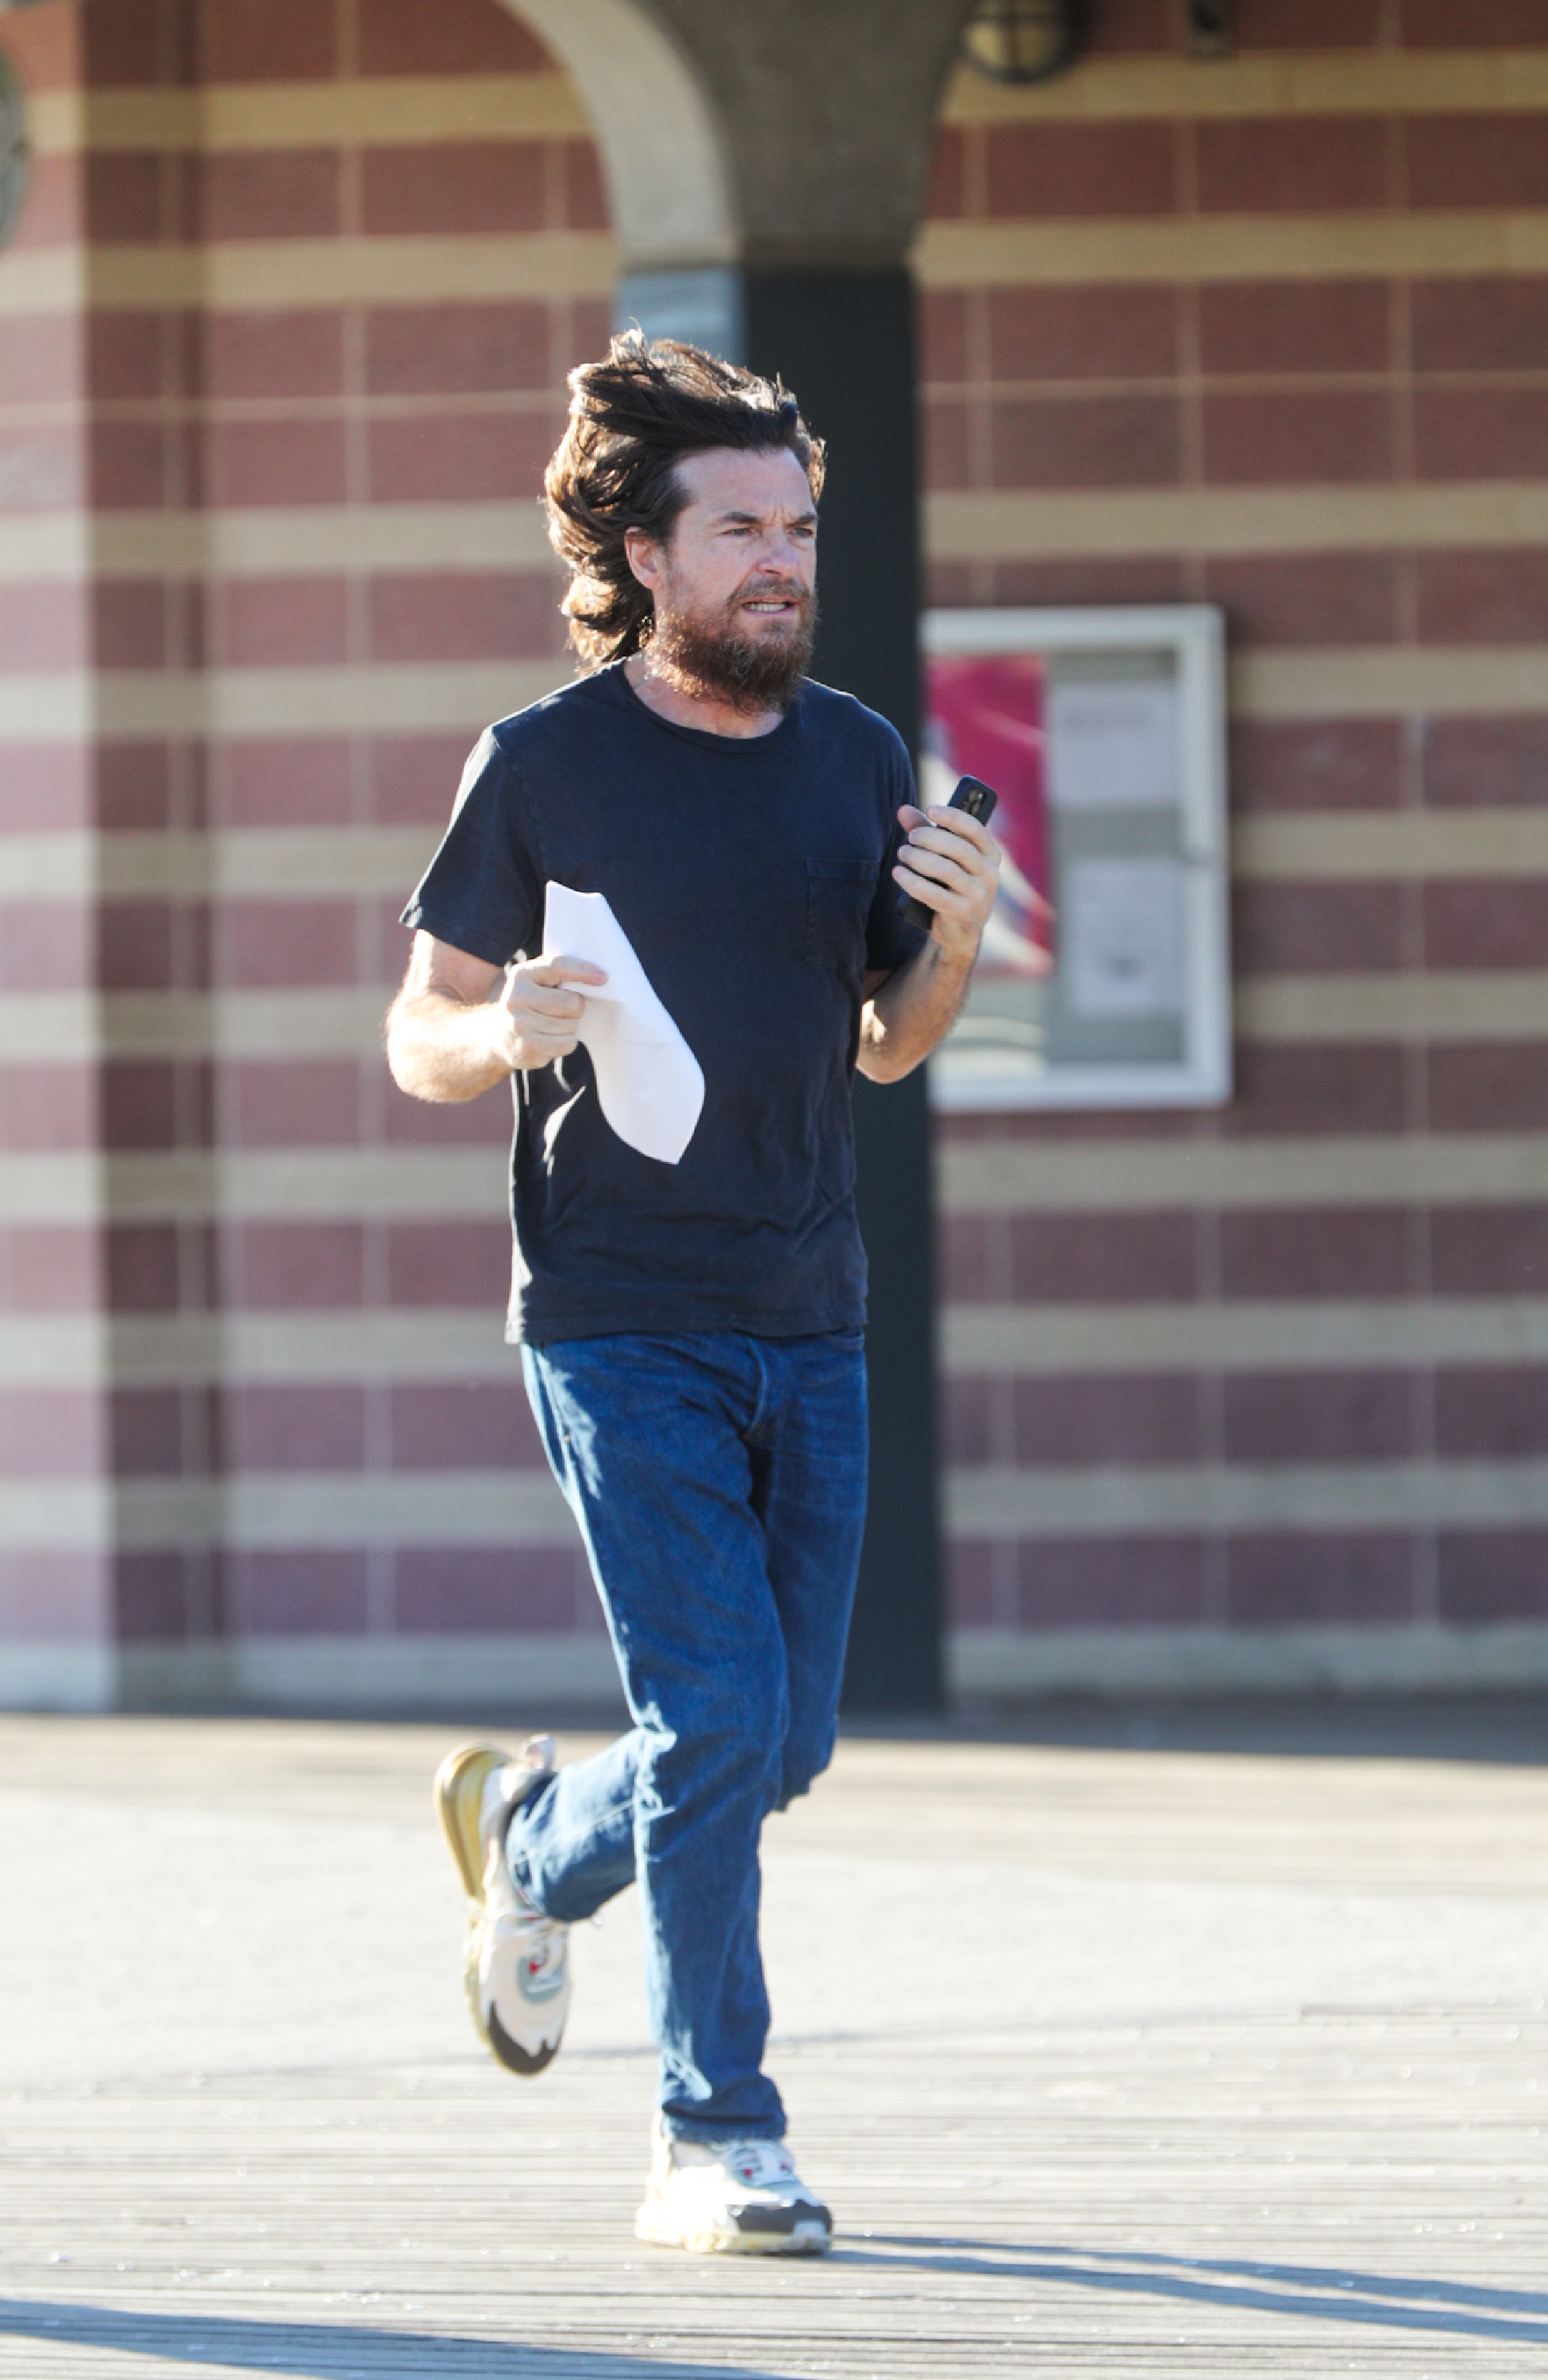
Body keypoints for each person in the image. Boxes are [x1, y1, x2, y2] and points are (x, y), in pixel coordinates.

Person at [386, 333, 999, 2256]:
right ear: (643, 552)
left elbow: (891, 1045)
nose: (780, 563)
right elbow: (413, 1032)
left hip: (811, 1304)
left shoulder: (858, 759)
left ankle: (530, 1851)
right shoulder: (543, 763)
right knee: (720, 1710)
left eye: (797, 528)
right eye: (738, 528)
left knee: (772, 1745)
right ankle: (716, 2134)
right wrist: (504, 1033)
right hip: (614, 1311)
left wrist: (962, 938)